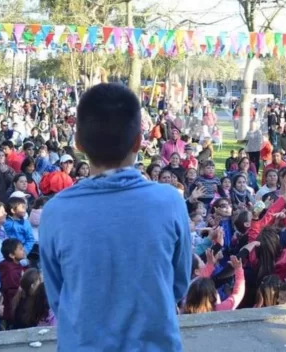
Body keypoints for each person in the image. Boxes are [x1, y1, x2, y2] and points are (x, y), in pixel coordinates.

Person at [40, 83, 191, 351]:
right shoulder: (170, 202)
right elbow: (177, 284)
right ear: (137, 141)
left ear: (78, 143)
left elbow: (59, 295)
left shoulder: (56, 212)